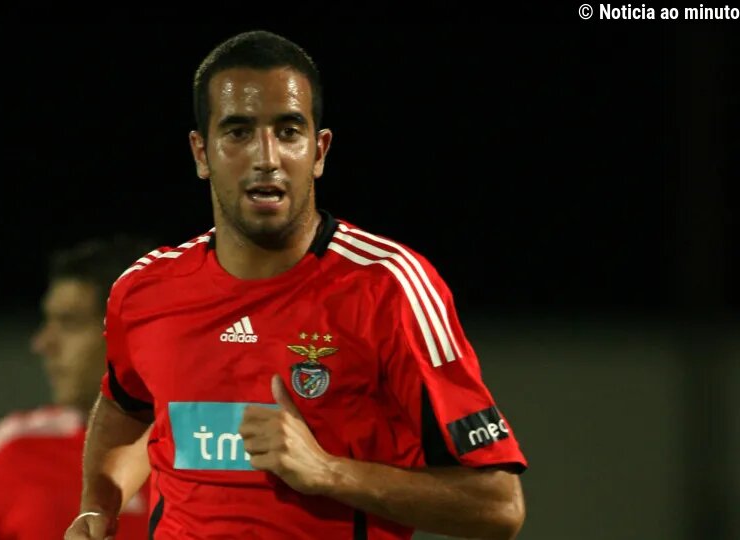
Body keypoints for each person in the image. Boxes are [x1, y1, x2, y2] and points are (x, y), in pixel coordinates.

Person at [65, 30, 527, 540]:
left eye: (288, 131)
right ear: (201, 153)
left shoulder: (389, 288)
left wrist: (327, 471)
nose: (267, 157)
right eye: (238, 132)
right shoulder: (144, 290)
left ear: (319, 151)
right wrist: (97, 507)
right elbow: (123, 405)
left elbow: (497, 506)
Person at [0, 236, 157, 540]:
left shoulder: (205, 448)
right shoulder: (18, 448)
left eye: (69, 323)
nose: (43, 343)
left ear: (136, 330)